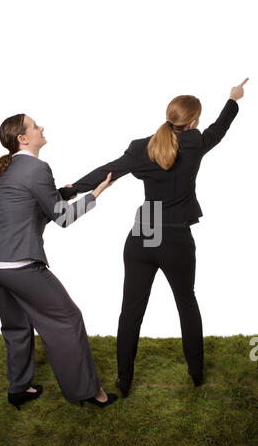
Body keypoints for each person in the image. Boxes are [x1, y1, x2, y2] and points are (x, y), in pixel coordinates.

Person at [59, 78, 249, 397]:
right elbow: (220, 128)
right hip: (175, 235)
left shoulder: (141, 147)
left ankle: (123, 380)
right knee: (186, 302)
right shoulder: (196, 142)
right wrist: (233, 99)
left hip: (144, 232)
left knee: (131, 310)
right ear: (192, 122)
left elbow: (109, 171)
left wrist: (70, 190)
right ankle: (197, 373)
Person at [0, 113, 118, 410]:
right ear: (23, 139)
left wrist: (65, 192)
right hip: (18, 266)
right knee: (68, 320)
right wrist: (95, 194)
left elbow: (33, 207)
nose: (42, 128)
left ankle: (18, 388)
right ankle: (89, 392)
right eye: (35, 126)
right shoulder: (38, 168)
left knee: (16, 325)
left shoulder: (12, 167)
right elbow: (62, 218)